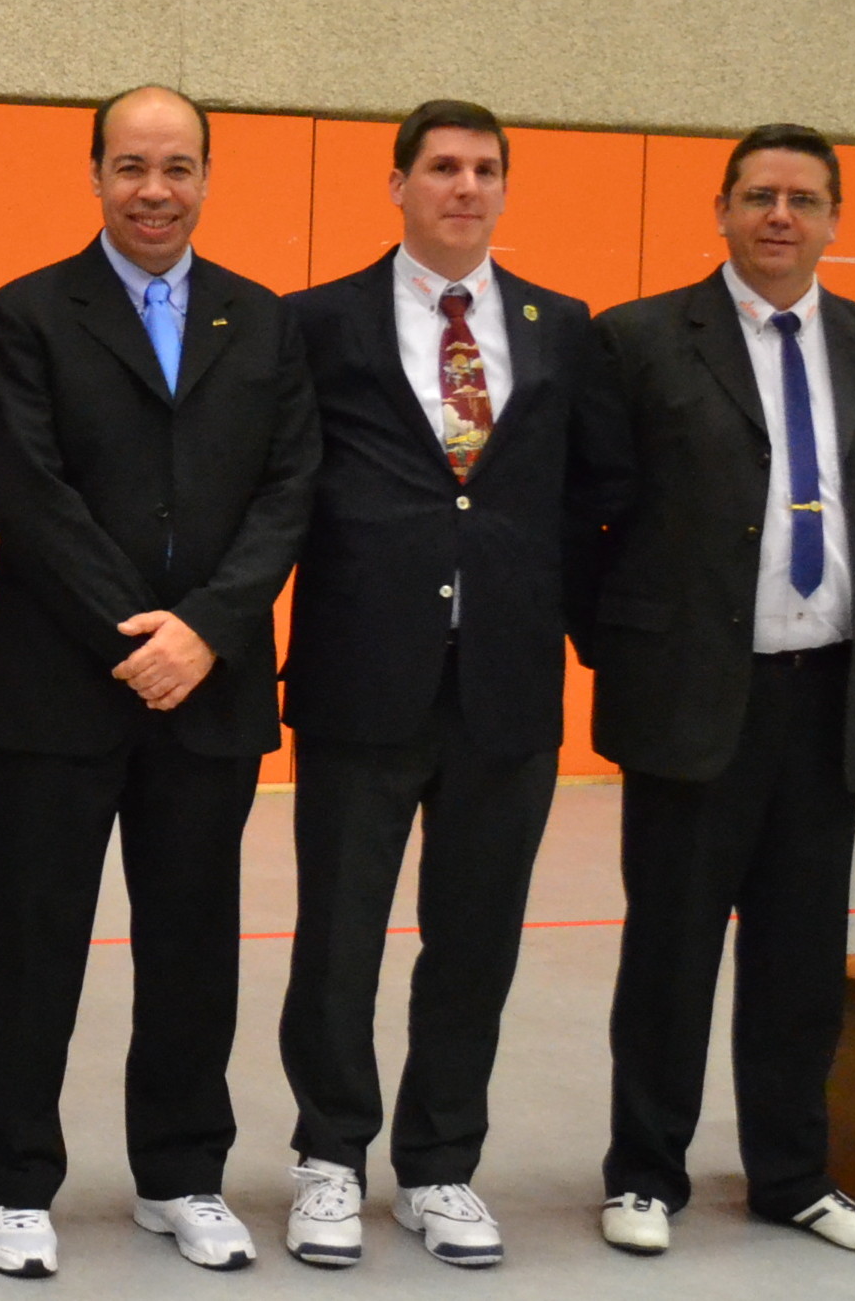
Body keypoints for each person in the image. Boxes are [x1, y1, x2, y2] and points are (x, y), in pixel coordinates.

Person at [0, 85, 319, 1277]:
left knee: (191, 946)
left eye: (176, 168)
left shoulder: (262, 323)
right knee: (31, 943)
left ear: (206, 178)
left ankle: (181, 1175)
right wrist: (141, 637)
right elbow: (29, 492)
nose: (153, 191)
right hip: (61, 685)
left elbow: (288, 491)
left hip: (209, 689)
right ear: (96, 175)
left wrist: (206, 631)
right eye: (131, 167)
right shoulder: (28, 314)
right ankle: (17, 1184)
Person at [274, 101, 628, 1269]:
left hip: (507, 686)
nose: (464, 187)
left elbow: (590, 500)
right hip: (362, 677)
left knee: (475, 942)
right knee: (340, 937)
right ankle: (331, 1155)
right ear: (399, 185)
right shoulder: (318, 323)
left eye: (484, 169)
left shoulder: (559, 328)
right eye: (441, 168)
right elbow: (283, 486)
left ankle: (439, 1165)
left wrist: (582, 632)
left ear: (505, 188)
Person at [585, 123, 855, 1258]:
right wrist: (630, 645)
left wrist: (847, 618)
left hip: (825, 693)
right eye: (759, 196)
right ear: (723, 210)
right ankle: (645, 1174)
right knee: (671, 950)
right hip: (691, 692)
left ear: (834, 218)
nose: (780, 216)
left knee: (800, 957)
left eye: (803, 198)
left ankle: (794, 1175)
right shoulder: (640, 339)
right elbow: (591, 516)